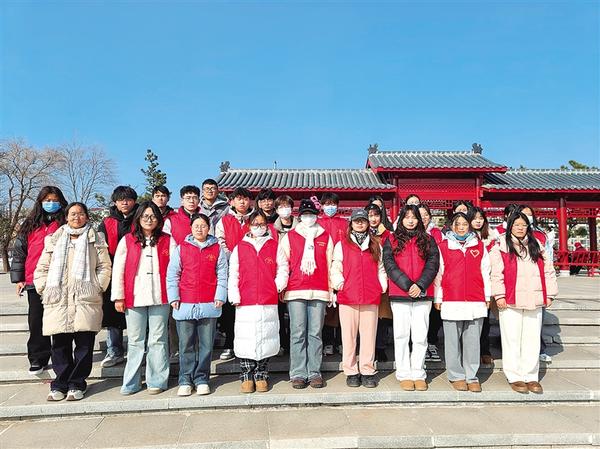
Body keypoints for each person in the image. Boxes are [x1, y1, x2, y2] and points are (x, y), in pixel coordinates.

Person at [34, 202, 112, 401]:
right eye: (73, 214)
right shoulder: (55, 238)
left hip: (85, 299)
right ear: (67, 216)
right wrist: (43, 287)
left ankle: (77, 383)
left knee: (84, 345)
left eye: (81, 214)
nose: (77, 217)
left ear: (87, 216)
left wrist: (97, 286)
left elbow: (104, 266)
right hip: (58, 299)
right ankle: (59, 384)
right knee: (60, 345)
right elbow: (42, 267)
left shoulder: (96, 238)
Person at [111, 202, 176, 395]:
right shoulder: (128, 240)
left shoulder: (168, 240)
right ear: (138, 218)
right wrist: (118, 296)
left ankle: (157, 380)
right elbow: (118, 270)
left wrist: (174, 295)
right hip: (134, 295)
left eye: (153, 216)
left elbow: (175, 270)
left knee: (158, 339)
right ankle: (131, 382)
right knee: (135, 340)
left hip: (161, 296)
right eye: (145, 216)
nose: (149, 220)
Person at [490, 211, 558, 394]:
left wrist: (550, 294)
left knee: (532, 339)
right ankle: (514, 375)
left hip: (534, 299)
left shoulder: (537, 246)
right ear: (510, 226)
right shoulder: (500, 246)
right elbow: (496, 274)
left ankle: (531, 375)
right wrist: (499, 295)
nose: (520, 228)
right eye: (517, 225)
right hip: (510, 299)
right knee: (511, 339)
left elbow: (549, 271)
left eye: (524, 225)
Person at [166, 213, 228, 396]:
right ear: (191, 228)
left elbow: (222, 274)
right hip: (185, 302)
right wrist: (174, 297)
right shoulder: (181, 248)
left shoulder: (217, 249)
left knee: (206, 345)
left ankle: (202, 378)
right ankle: (185, 379)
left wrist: (220, 295)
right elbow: (173, 274)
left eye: (203, 226)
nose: (200, 229)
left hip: (209, 302)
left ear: (209, 228)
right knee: (186, 344)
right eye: (196, 226)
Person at [10, 186, 68, 375]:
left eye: (55, 200)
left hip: (60, 278)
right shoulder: (30, 224)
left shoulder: (66, 221)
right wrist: (19, 278)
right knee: (36, 320)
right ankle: (38, 357)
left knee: (59, 320)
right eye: (47, 200)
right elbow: (20, 252)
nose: (51, 203)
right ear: (40, 202)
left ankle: (62, 358)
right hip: (34, 279)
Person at [277, 198, 334, 389]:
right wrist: (282, 285)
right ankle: (298, 372)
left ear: (316, 216)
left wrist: (331, 289)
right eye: (305, 214)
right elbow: (283, 263)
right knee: (298, 332)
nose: (308, 217)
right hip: (296, 289)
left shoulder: (325, 236)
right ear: (300, 217)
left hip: (319, 289)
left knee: (315, 333)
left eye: (311, 214)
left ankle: (314, 371)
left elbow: (330, 263)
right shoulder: (290, 236)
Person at [228, 210, 286, 393]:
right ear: (249, 225)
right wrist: (234, 294)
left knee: (265, 337)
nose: (259, 227)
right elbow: (233, 274)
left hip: (267, 299)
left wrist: (277, 285)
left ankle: (261, 374)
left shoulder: (274, 246)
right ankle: (246, 375)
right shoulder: (240, 247)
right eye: (255, 224)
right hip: (246, 299)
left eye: (262, 224)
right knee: (246, 338)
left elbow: (283, 268)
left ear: (267, 226)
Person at [383, 205, 440, 391]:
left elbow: (433, 264)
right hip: (400, 294)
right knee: (401, 335)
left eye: (414, 217)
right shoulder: (391, 239)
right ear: (401, 219)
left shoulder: (428, 240)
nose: (410, 220)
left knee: (420, 336)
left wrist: (420, 285)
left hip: (423, 294)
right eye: (406, 217)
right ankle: (404, 373)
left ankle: (418, 372)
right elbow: (389, 265)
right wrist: (408, 285)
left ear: (419, 220)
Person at [434, 212, 491, 393]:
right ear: (451, 226)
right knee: (452, 341)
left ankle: (471, 375)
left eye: (464, 224)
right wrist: (438, 297)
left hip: (475, 300)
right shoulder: (443, 246)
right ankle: (456, 375)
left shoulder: (479, 246)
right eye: (457, 224)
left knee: (473, 342)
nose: (461, 227)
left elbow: (486, 272)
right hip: (452, 299)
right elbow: (439, 274)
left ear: (470, 225)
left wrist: (487, 296)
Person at [330, 209, 387, 388]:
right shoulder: (342, 245)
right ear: (351, 223)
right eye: (357, 221)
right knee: (349, 337)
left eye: (363, 220)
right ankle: (351, 370)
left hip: (370, 295)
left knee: (369, 336)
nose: (360, 223)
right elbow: (336, 267)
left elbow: (381, 268)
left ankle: (367, 369)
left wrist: (381, 286)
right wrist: (340, 284)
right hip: (348, 296)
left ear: (368, 223)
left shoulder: (375, 244)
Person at [98, 186, 139, 368]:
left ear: (134, 201)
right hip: (113, 270)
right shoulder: (107, 222)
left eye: (128, 199)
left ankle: (138, 350)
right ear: (115, 202)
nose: (125, 202)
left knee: (137, 312)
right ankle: (114, 351)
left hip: (137, 271)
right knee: (113, 313)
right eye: (121, 199)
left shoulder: (141, 218)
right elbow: (100, 248)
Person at [215, 187, 255, 361]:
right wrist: (234, 257)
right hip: (230, 269)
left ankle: (249, 345)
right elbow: (220, 242)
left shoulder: (255, 220)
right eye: (238, 199)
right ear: (231, 201)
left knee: (249, 310)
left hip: (251, 270)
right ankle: (229, 344)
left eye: (245, 199)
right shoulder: (224, 221)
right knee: (230, 310)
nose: (242, 202)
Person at [517, 204, 554, 363]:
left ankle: (540, 350)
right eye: (523, 214)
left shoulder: (540, 235)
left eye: (529, 214)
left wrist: (550, 290)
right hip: (518, 286)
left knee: (537, 322)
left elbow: (548, 260)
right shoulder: (507, 238)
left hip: (537, 285)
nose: (527, 217)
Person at [468, 207, 499, 365]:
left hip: (486, 282)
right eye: (475, 218)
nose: (478, 221)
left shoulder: (492, 239)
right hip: (470, 282)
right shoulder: (464, 238)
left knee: (485, 319)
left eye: (481, 218)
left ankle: (484, 350)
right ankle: (470, 352)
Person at [317, 192, 346, 356]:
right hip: (323, 268)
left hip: (341, 267)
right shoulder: (317, 223)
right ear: (321, 206)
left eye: (333, 204)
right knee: (327, 307)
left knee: (342, 306)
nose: (330, 207)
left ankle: (341, 341)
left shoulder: (344, 223)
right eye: (327, 204)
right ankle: (328, 341)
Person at [366, 203, 393, 362]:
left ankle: (380, 347)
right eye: (370, 215)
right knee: (368, 316)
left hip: (384, 278)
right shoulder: (362, 232)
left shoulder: (388, 234)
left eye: (376, 215)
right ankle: (368, 347)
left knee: (382, 316)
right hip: (367, 278)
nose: (373, 219)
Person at [272, 194, 298, 356]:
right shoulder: (272, 230)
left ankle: (295, 345)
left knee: (296, 313)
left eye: (287, 206)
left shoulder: (301, 228)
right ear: (276, 210)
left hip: (297, 274)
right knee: (279, 313)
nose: (284, 210)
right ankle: (282, 343)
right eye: (281, 207)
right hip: (279, 273)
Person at [418, 203, 443, 363]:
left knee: (434, 313)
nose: (423, 218)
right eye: (420, 215)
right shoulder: (411, 233)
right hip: (417, 279)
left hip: (435, 277)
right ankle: (420, 345)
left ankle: (432, 342)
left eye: (426, 214)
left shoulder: (438, 233)